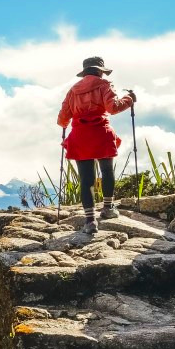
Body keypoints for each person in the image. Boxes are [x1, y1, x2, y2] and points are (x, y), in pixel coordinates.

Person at [57, 56, 136, 233]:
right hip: (101, 133)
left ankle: (90, 221)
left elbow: (63, 117)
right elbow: (113, 108)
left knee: (86, 179)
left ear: (84, 72)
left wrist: (64, 124)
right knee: (107, 170)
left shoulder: (73, 90)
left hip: (80, 136)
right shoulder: (104, 85)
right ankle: (108, 208)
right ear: (100, 71)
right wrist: (129, 99)